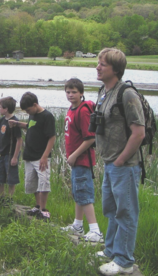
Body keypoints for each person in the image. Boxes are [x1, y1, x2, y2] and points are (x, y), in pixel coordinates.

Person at [95, 48, 145, 275]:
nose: (97, 67)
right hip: (109, 162)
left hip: (124, 165)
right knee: (111, 209)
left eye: (102, 64)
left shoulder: (127, 94)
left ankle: (124, 261)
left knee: (125, 212)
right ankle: (111, 251)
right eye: (98, 63)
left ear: (115, 69)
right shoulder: (104, 91)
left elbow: (138, 133)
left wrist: (120, 160)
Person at [60, 78, 103, 242]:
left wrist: (74, 155)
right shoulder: (71, 109)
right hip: (75, 160)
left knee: (84, 193)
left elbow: (90, 138)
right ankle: (77, 225)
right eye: (68, 92)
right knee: (77, 192)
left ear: (81, 93)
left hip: (82, 159)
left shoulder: (83, 111)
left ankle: (95, 230)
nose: (70, 95)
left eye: (74, 92)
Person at [9, 92, 55, 220]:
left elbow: (52, 137)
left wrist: (45, 156)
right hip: (29, 154)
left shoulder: (47, 116)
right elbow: (31, 127)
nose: (28, 113)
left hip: (41, 156)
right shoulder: (32, 116)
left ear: (35, 104)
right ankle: (37, 205)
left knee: (43, 181)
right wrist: (18, 124)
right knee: (32, 182)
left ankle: (44, 209)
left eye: (28, 110)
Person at [0, 96, 22, 204]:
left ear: (6, 109)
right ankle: (2, 198)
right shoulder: (2, 119)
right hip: (1, 153)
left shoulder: (15, 122)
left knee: (11, 177)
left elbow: (19, 140)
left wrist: (15, 157)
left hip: (10, 153)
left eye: (0, 107)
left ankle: (10, 199)